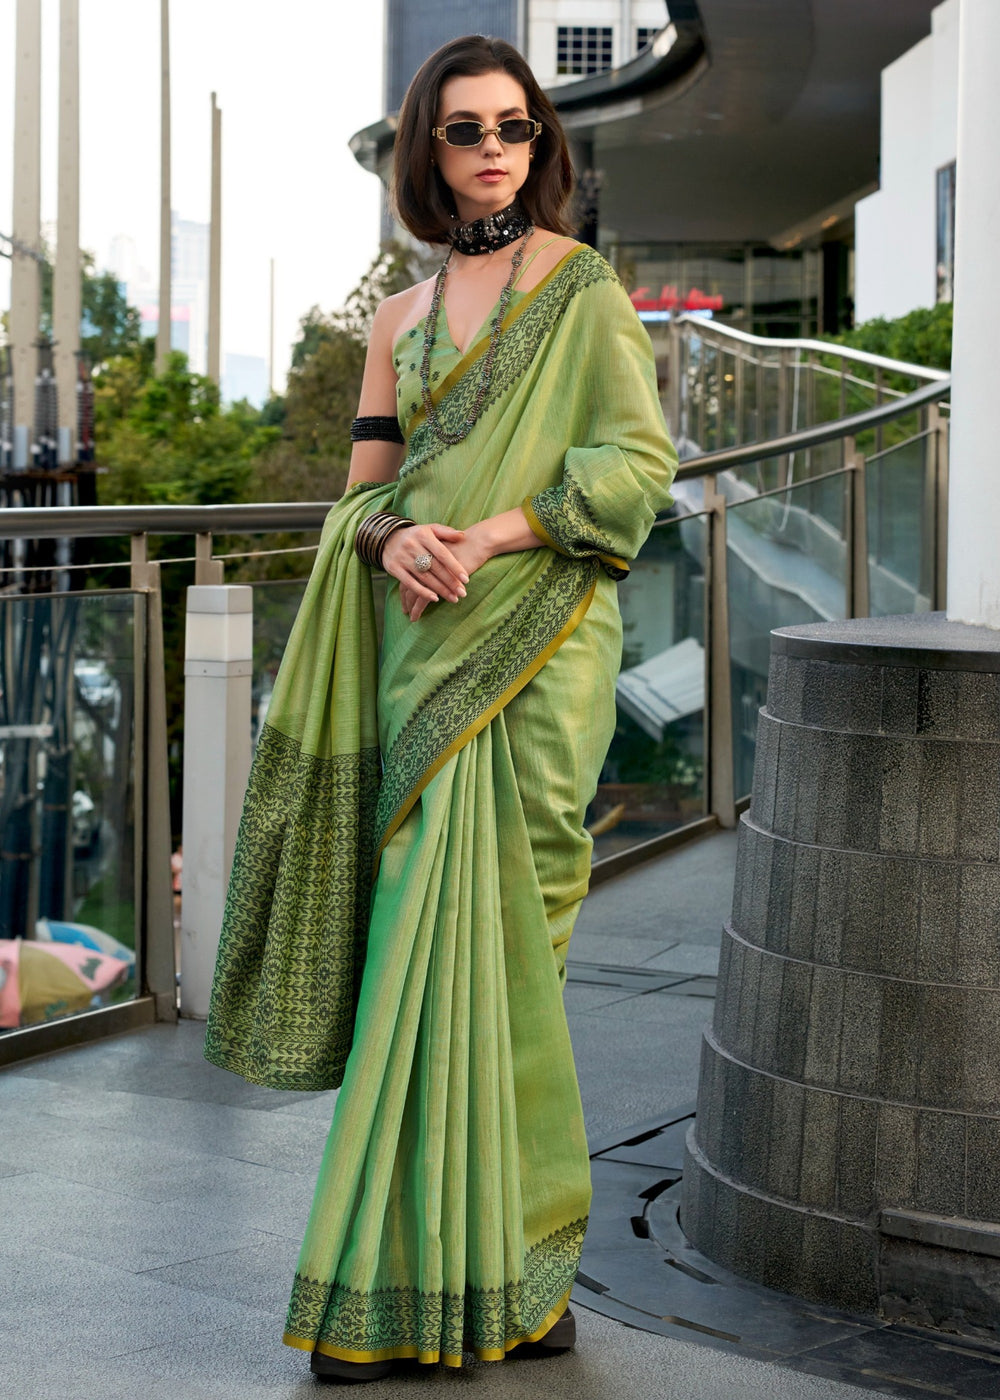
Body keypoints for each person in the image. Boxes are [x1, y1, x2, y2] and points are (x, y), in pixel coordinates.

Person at [202, 33, 677, 1382]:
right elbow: (362, 495)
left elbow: (636, 465)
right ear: (427, 151)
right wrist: (392, 536)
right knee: (416, 954)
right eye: (464, 129)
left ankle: (519, 1277)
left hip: (541, 654)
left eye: (513, 127)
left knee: (515, 962)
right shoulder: (398, 322)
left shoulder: (582, 292)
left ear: (541, 144)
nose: (491, 150)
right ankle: (386, 1280)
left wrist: (495, 533)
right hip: (422, 651)